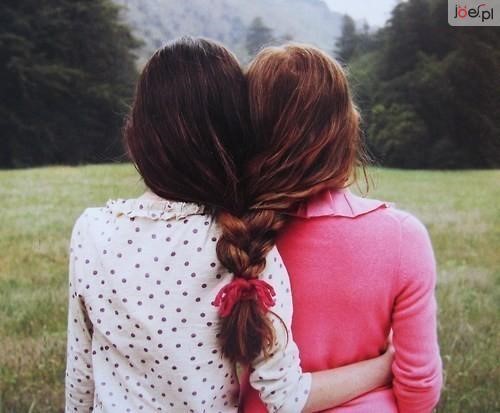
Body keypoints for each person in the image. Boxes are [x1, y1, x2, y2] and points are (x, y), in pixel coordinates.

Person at [64, 37, 394, 413]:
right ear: (237, 138)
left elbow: (80, 378)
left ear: (138, 132)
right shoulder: (242, 243)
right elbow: (286, 397)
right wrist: (384, 366)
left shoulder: (91, 231)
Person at [238, 44, 443, 412]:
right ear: (346, 128)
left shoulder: (231, 237)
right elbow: (419, 390)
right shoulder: (403, 237)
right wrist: (384, 367)